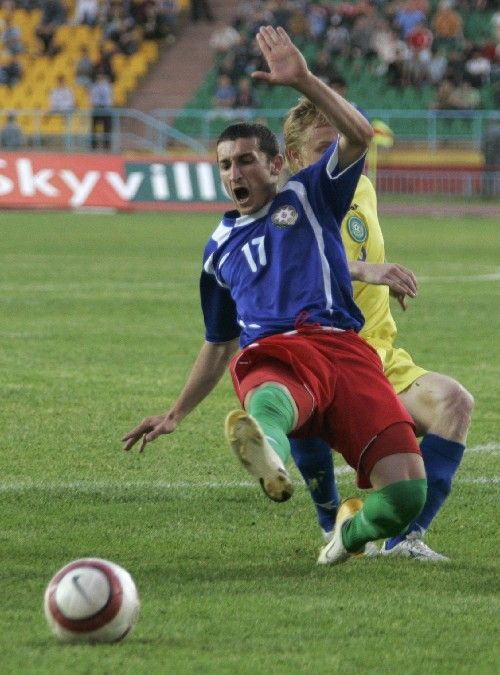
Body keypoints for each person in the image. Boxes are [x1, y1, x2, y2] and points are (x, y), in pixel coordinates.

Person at [122, 26, 428, 567]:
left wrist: (305, 79)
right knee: (270, 395)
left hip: (346, 351)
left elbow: (357, 138)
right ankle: (269, 453)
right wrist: (175, 413)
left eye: (245, 161)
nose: (234, 173)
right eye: (224, 164)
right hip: (278, 354)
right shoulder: (217, 251)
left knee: (407, 495)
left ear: (276, 164)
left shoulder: (310, 194)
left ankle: (349, 533)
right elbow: (218, 346)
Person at [283, 97, 474, 561]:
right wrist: (367, 272)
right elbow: (297, 266)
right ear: (293, 158)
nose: (337, 160)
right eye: (322, 150)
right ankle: (332, 520)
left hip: (379, 354)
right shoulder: (287, 206)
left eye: (343, 147)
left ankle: (404, 538)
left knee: (454, 402)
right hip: (324, 352)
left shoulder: (362, 187)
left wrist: (383, 279)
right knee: (303, 402)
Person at [90, 72, 113, 150]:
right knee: (94, 128)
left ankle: (106, 145)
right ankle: (94, 145)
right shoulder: (94, 87)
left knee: (107, 128)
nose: (99, 80)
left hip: (105, 109)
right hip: (97, 108)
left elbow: (109, 99)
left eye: (101, 78)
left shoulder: (107, 87)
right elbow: (93, 98)